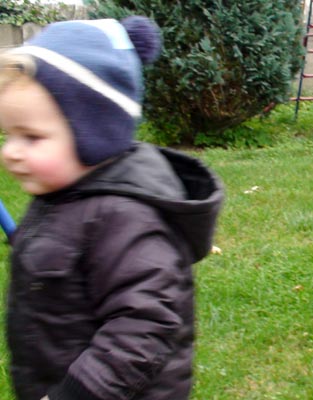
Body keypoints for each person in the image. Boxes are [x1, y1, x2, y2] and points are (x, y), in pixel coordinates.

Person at [0, 16, 224, 399]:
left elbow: (145, 326)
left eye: (32, 137)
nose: (10, 152)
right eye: (8, 135)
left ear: (95, 133)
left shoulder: (125, 217)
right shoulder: (64, 194)